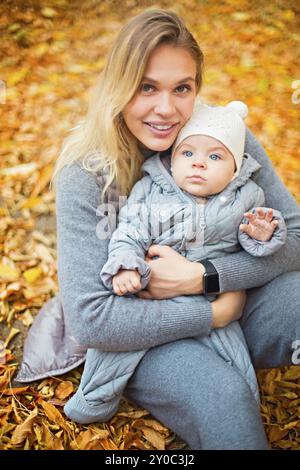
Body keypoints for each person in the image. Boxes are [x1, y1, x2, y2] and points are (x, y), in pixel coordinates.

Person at [17, 9, 300, 450]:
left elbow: (295, 238)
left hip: (234, 307)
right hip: (140, 336)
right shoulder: (87, 173)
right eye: (146, 87)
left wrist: (204, 276)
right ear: (118, 87)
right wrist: (212, 314)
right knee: (225, 397)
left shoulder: (221, 141)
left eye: (181, 88)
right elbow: (93, 321)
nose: (166, 109)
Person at [63, 100, 288, 424]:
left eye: (214, 156)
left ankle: (245, 411)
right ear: (171, 160)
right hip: (151, 297)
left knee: (235, 366)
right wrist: (126, 265)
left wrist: (265, 235)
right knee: (114, 352)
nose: (199, 163)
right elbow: (129, 232)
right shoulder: (151, 191)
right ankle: (94, 399)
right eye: (188, 153)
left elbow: (254, 242)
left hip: (211, 297)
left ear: (236, 168)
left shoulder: (247, 197)